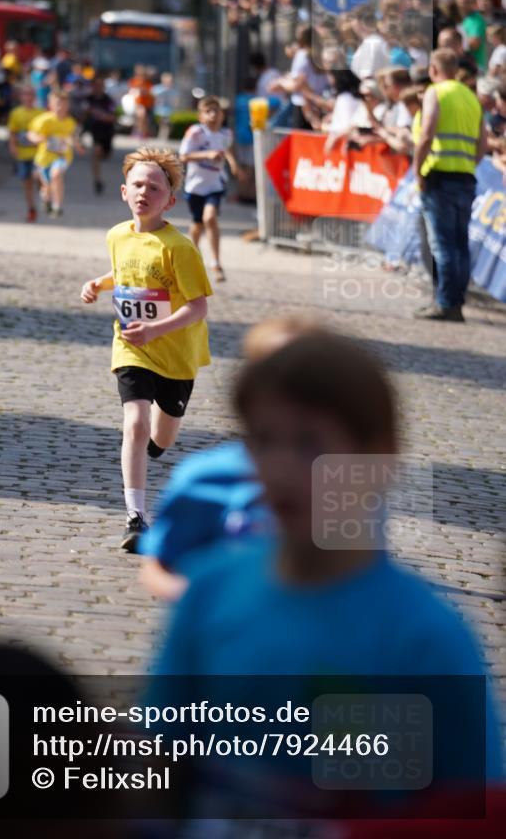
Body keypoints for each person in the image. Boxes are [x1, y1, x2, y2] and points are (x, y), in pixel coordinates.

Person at [152, 330, 503, 808]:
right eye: (263, 440)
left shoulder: (424, 635)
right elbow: (160, 766)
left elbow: (474, 810)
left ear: (379, 459)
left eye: (311, 443)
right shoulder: (210, 591)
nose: (280, 467)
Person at [80, 147, 212, 552]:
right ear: (124, 191)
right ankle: (136, 516)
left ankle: (153, 445)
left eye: (154, 187)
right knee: (134, 424)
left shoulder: (180, 247)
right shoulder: (117, 235)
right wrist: (98, 285)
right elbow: (123, 271)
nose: (144, 192)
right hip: (132, 345)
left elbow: (198, 307)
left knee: (162, 436)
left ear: (169, 200)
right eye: (137, 184)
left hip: (176, 353)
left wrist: (157, 328)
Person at [138, 315, 317, 601]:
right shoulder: (205, 476)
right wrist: (203, 598)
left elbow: (364, 577)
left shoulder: (346, 480)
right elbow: (158, 564)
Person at [413, 48, 487, 321]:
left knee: (442, 244)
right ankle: (456, 303)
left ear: (433, 69)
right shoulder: (471, 97)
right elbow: (483, 143)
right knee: (459, 244)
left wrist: (418, 169)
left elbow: (427, 132)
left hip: (440, 176)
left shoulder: (436, 92)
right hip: (466, 177)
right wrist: (469, 162)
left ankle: (445, 302)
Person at [178, 95, 241, 283]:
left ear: (222, 115)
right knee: (197, 224)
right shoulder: (195, 133)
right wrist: (207, 154)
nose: (213, 115)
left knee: (210, 218)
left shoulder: (226, 134)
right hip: (195, 185)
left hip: (216, 183)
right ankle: (195, 256)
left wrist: (233, 163)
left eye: (217, 111)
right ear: (201, 116)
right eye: (208, 111)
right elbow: (183, 156)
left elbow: (226, 149)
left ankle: (216, 262)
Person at [28, 90, 82, 218]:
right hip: (44, 158)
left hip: (63, 156)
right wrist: (38, 139)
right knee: (47, 186)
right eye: (58, 104)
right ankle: (46, 199)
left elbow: (73, 137)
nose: (61, 107)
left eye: (64, 104)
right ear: (50, 104)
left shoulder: (70, 122)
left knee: (56, 175)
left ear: (68, 106)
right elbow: (31, 134)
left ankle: (57, 207)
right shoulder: (44, 120)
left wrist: (78, 147)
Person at [7, 84, 43, 222]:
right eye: (25, 94)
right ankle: (31, 209)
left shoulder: (40, 113)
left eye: (30, 94)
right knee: (27, 183)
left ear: (34, 97)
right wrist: (12, 146)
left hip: (38, 154)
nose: (28, 97)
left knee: (38, 178)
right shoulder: (16, 113)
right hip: (23, 154)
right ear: (21, 97)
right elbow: (12, 132)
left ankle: (44, 198)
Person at [83, 74, 117, 194]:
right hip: (95, 130)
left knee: (106, 155)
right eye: (95, 85)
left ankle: (103, 155)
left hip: (107, 131)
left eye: (100, 85)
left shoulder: (108, 100)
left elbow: (112, 117)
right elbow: (84, 114)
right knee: (96, 153)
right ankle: (97, 180)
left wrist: (101, 115)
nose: (98, 87)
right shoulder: (88, 99)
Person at [455, 0, 487, 72]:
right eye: (462, 0)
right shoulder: (456, 17)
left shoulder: (477, 19)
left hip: (473, 67)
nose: (465, 4)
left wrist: (454, 46)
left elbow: (474, 43)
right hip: (459, 66)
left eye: (468, 0)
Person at [152, 72, 178, 140]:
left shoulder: (174, 90)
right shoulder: (157, 89)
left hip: (168, 111)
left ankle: (163, 137)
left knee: (166, 122)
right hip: (157, 110)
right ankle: (161, 136)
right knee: (164, 121)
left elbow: (175, 102)